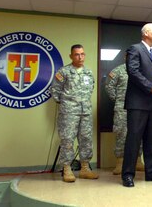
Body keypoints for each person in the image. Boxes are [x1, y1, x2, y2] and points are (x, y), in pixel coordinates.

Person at [122, 23, 152, 187]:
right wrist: (151, 88)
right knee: (133, 140)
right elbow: (133, 72)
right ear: (146, 33)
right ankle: (128, 175)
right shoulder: (134, 49)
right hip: (137, 103)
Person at [50, 44, 99, 182]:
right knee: (67, 140)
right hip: (69, 112)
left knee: (86, 139)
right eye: (77, 54)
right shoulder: (64, 72)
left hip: (86, 111)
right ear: (71, 56)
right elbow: (55, 91)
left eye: (82, 54)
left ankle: (85, 168)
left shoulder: (88, 72)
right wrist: (67, 104)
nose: (80, 57)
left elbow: (91, 88)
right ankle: (67, 168)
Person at [105, 64, 145, 175]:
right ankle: (120, 162)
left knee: (139, 133)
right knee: (121, 133)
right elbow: (109, 87)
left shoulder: (141, 70)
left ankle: (138, 161)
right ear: (125, 57)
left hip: (138, 107)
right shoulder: (117, 70)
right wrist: (119, 99)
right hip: (122, 107)